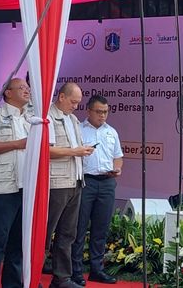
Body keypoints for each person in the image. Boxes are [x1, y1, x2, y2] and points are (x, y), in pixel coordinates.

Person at [0, 77, 32, 288]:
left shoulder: (31, 120)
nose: (27, 91)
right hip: (2, 187)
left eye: (28, 88)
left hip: (25, 188)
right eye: (22, 88)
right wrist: (17, 144)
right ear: (8, 92)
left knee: (17, 244)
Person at [70, 95, 123, 285]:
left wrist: (118, 168)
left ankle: (96, 269)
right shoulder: (79, 129)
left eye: (106, 112)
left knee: (101, 228)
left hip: (107, 182)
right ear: (89, 111)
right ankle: (75, 271)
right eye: (99, 112)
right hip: (86, 182)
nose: (103, 116)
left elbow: (118, 156)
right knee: (79, 227)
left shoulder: (112, 132)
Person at [46, 82, 95, 288]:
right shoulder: (47, 117)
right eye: (73, 101)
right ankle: (30, 274)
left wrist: (81, 151)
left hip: (75, 180)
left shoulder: (73, 119)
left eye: (78, 103)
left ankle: (62, 278)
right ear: (62, 97)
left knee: (68, 232)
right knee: (46, 232)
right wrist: (75, 151)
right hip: (56, 182)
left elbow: (74, 148)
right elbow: (46, 150)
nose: (76, 106)